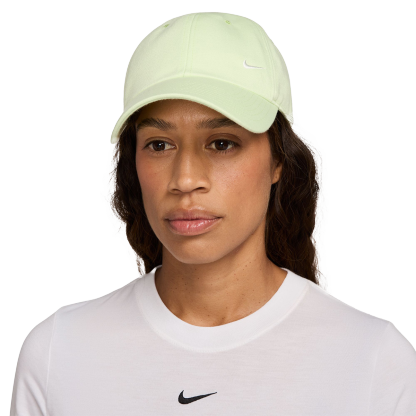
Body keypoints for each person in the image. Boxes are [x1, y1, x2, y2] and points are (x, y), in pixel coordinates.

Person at [11, 12, 416, 416]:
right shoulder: (59, 352)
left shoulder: (373, 362)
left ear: (278, 160)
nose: (185, 179)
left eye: (222, 143)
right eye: (159, 145)